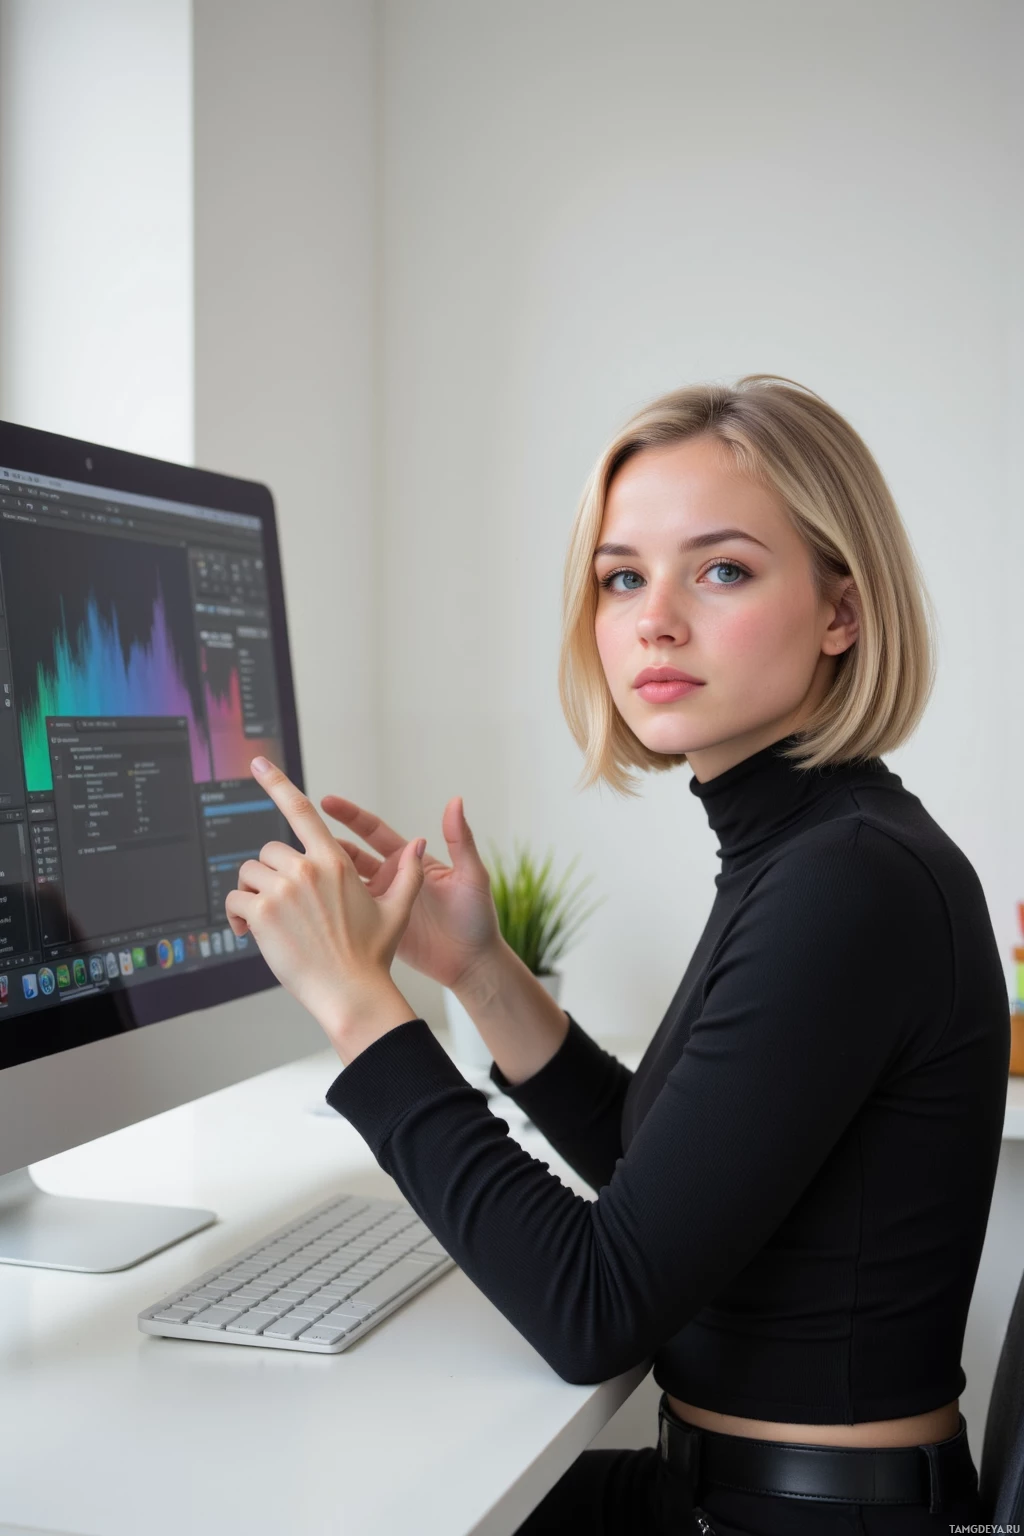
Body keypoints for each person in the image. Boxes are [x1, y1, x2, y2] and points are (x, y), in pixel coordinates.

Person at [226, 376, 1007, 1534]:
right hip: (739, 1491)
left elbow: (594, 1305)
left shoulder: (846, 883)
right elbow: (663, 1178)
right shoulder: (813, 849)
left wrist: (357, 1009)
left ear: (842, 610)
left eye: (722, 569)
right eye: (623, 577)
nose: (655, 618)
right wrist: (479, 973)